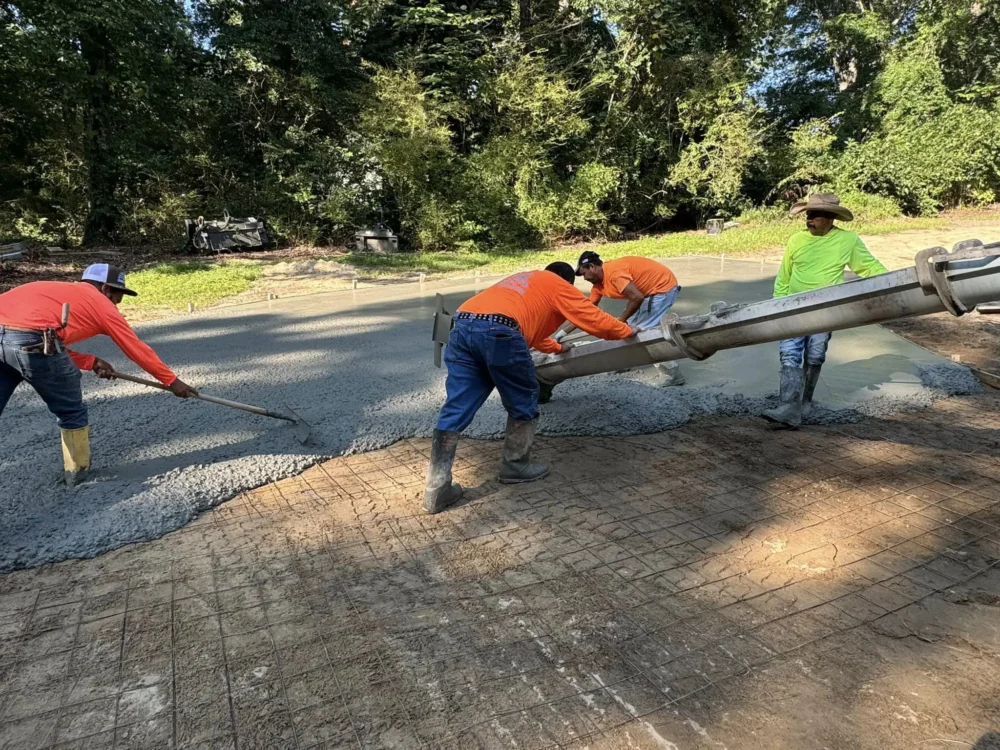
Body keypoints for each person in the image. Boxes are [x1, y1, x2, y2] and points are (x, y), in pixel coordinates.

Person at [425, 262, 634, 513]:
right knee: (523, 397)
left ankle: (436, 488)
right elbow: (593, 318)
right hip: (499, 333)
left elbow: (526, 327)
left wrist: (557, 347)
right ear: (567, 281)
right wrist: (626, 330)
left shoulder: (522, 280)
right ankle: (515, 466)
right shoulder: (558, 284)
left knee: (457, 404)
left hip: (462, 327)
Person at [0, 263, 198, 484]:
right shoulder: (100, 304)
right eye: (116, 298)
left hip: (14, 338)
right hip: (33, 342)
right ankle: (77, 476)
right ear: (105, 289)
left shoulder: (55, 291)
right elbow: (136, 349)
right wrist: (172, 381)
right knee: (71, 411)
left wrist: (90, 361)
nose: (115, 305)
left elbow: (31, 338)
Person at [763, 193, 887, 428]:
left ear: (830, 218)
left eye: (813, 216)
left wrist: (892, 284)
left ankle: (805, 401)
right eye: (807, 215)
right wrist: (777, 304)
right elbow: (784, 275)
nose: (808, 220)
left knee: (815, 355)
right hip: (793, 308)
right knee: (789, 353)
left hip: (826, 310)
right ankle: (788, 406)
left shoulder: (847, 241)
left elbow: (869, 266)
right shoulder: (796, 240)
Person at [554, 251, 684, 388]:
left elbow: (637, 297)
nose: (584, 278)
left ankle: (672, 373)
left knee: (643, 334)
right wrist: (562, 333)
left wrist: (621, 319)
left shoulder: (614, 273)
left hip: (661, 288)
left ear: (592, 267)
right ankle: (625, 363)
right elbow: (585, 313)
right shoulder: (598, 286)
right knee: (626, 331)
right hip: (647, 293)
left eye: (584, 273)